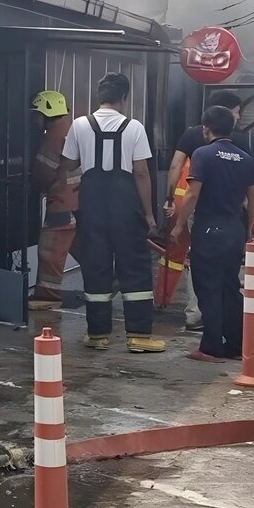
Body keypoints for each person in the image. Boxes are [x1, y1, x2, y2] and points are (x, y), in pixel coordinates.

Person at [61, 73, 165, 353]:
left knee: (96, 266)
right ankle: (139, 335)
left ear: (99, 96)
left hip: (93, 208)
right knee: (134, 267)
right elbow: (141, 173)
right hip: (125, 208)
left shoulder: (80, 125)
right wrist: (149, 215)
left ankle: (97, 335)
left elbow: (69, 164)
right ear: (124, 98)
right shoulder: (134, 127)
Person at [170, 106, 254, 363]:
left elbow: (192, 193)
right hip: (234, 228)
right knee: (230, 287)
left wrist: (178, 225)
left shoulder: (202, 154)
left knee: (208, 286)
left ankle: (210, 347)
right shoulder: (244, 158)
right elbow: (253, 197)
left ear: (205, 129)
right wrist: (247, 228)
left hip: (209, 227)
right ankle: (234, 345)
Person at [160, 90, 245, 331]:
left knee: (197, 259)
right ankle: (226, 317)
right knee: (228, 263)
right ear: (226, 111)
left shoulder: (191, 134)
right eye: (237, 112)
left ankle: (196, 315)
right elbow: (250, 187)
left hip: (196, 210)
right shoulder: (239, 139)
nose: (238, 117)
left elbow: (176, 165)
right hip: (228, 212)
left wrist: (169, 200)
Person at [28, 91, 80, 310]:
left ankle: (47, 298)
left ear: (47, 113)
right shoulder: (73, 131)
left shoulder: (52, 137)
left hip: (60, 203)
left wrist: (33, 183)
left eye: (37, 114)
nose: (35, 119)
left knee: (50, 251)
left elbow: (43, 173)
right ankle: (110, 280)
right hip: (78, 202)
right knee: (81, 246)